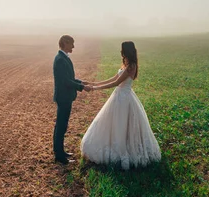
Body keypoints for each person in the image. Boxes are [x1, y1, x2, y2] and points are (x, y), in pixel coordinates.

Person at [80, 41, 161, 170]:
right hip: (119, 96)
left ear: (126, 50)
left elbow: (116, 83)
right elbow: (113, 79)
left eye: (122, 49)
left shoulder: (131, 66)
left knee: (122, 125)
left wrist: (94, 88)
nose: (120, 52)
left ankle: (124, 150)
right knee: (116, 124)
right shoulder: (126, 64)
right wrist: (91, 82)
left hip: (124, 99)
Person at [53, 35, 92, 164]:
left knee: (62, 125)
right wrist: (82, 87)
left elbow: (69, 78)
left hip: (66, 97)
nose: (73, 47)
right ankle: (59, 156)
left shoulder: (63, 58)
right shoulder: (60, 60)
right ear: (65, 43)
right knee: (61, 126)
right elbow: (65, 81)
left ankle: (61, 152)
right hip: (63, 97)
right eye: (72, 44)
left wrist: (81, 81)